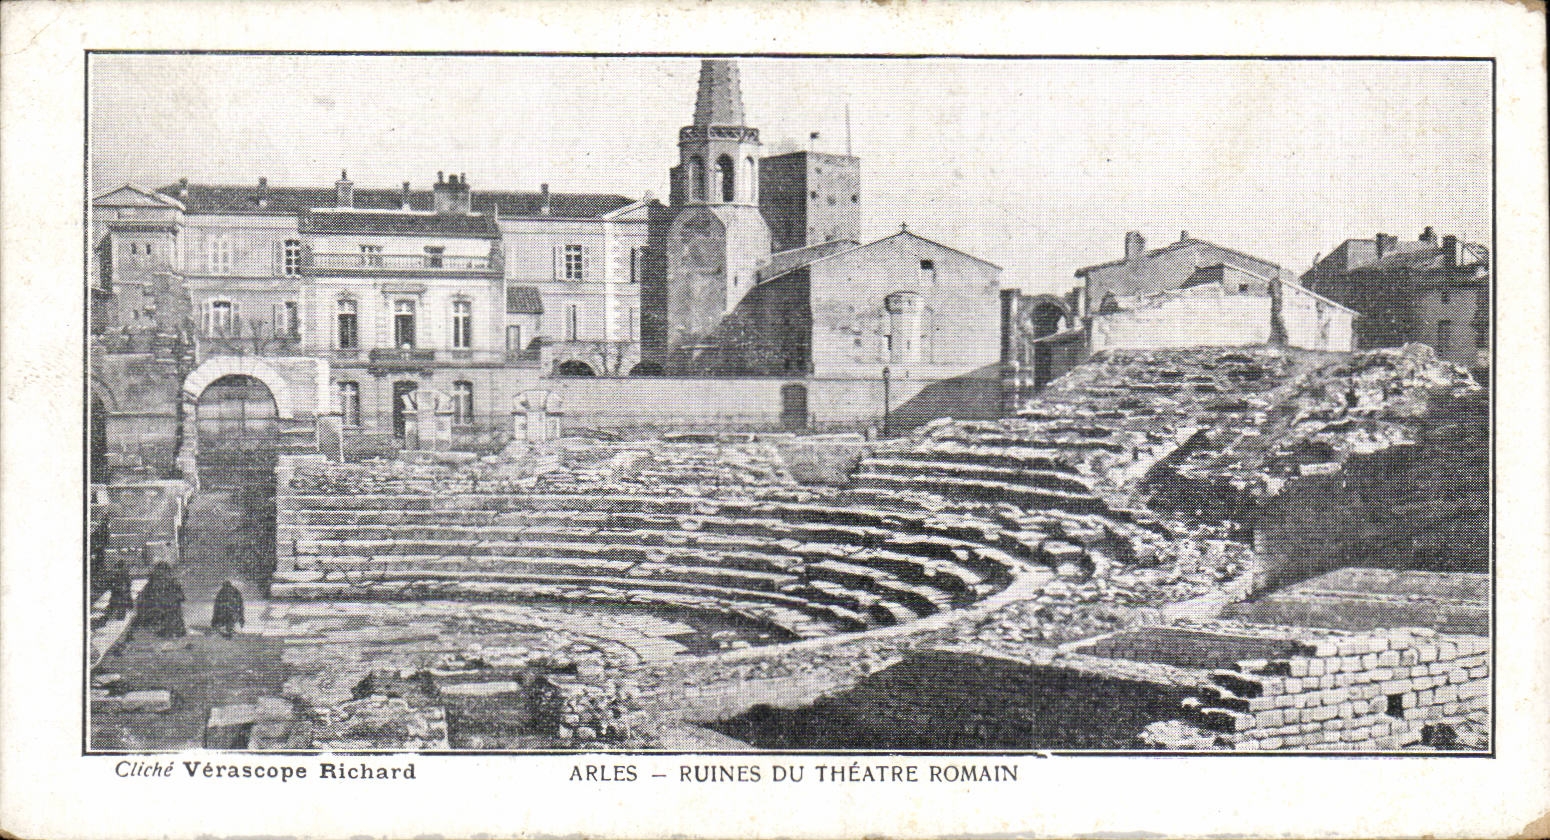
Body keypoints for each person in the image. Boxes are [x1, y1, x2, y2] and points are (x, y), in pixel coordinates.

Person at [133, 561, 186, 638]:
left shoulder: (154, 582)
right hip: (166, 610)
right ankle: (172, 630)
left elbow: (143, 598)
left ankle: (168, 630)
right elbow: (181, 597)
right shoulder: (172, 581)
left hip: (161, 611)